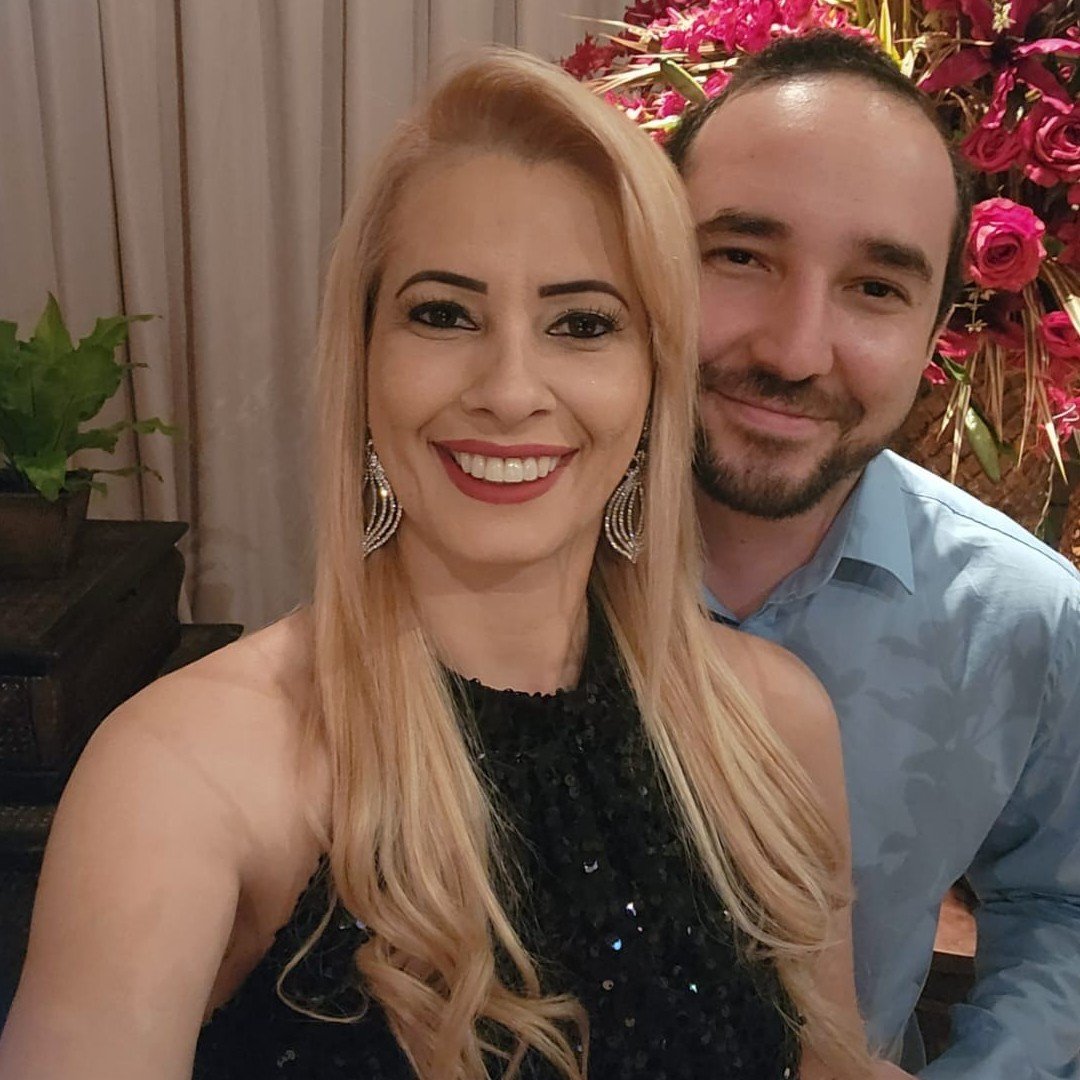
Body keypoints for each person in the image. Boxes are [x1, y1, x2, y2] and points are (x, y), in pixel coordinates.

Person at [0, 49, 892, 1080]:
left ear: (656, 381)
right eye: (443, 314)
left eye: (582, 324)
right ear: (364, 360)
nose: (509, 390)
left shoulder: (773, 724)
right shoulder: (185, 771)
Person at [667, 30, 1080, 1080]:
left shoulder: (1022, 618)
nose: (796, 351)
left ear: (938, 330)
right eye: (741, 256)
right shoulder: (502, 552)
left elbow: (1062, 901)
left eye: (877, 289)